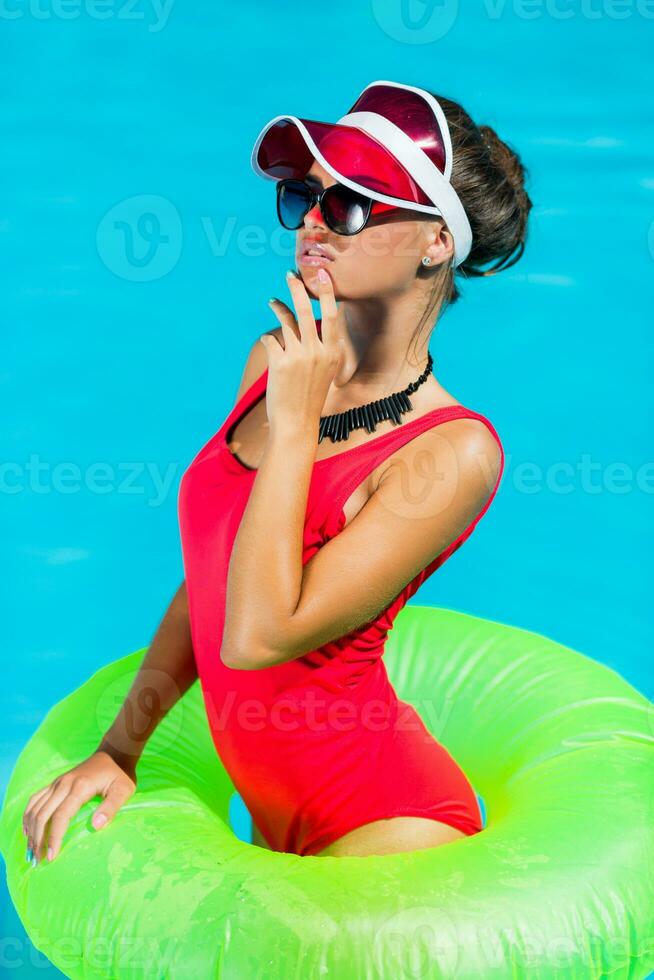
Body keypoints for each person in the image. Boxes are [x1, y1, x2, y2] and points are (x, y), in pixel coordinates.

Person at [23, 80, 532, 865]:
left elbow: (260, 636)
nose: (316, 225)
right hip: (270, 824)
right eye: (306, 197)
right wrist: (120, 751)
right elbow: (214, 581)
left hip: (385, 824)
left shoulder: (454, 450)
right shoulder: (273, 363)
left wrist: (297, 424)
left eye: (354, 204)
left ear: (435, 241)